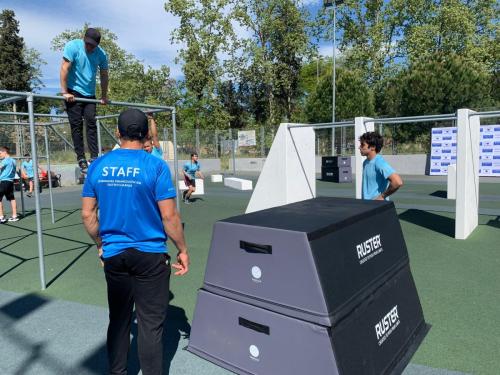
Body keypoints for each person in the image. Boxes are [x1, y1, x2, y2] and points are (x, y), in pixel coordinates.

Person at [81, 108, 189, 375]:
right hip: (150, 256)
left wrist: (100, 244)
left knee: (118, 321)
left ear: (118, 133)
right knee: (151, 326)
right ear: (145, 135)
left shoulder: (98, 165)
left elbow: (87, 214)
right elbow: (170, 216)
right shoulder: (155, 166)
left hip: (115, 256)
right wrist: (182, 249)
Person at [60, 27, 109, 173]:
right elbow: (64, 68)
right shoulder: (72, 46)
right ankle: (81, 158)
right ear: (84, 39)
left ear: (97, 45)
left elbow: (105, 75)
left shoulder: (101, 54)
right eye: (87, 44)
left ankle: (94, 156)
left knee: (91, 123)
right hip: (73, 91)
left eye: (93, 45)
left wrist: (104, 95)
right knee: (76, 125)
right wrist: (64, 92)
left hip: (89, 94)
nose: (89, 47)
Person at [358, 131, 403, 200]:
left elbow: (397, 182)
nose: (359, 147)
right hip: (367, 205)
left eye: (362, 145)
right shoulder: (365, 162)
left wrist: (382, 196)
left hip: (378, 207)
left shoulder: (379, 162)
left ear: (373, 147)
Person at [0, 146, 19, 222]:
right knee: (12, 198)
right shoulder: (13, 161)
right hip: (10, 182)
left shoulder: (5, 160)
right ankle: (14, 216)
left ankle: (1, 217)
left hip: (4, 181)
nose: (0, 155)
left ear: (5, 152)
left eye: (0, 153)